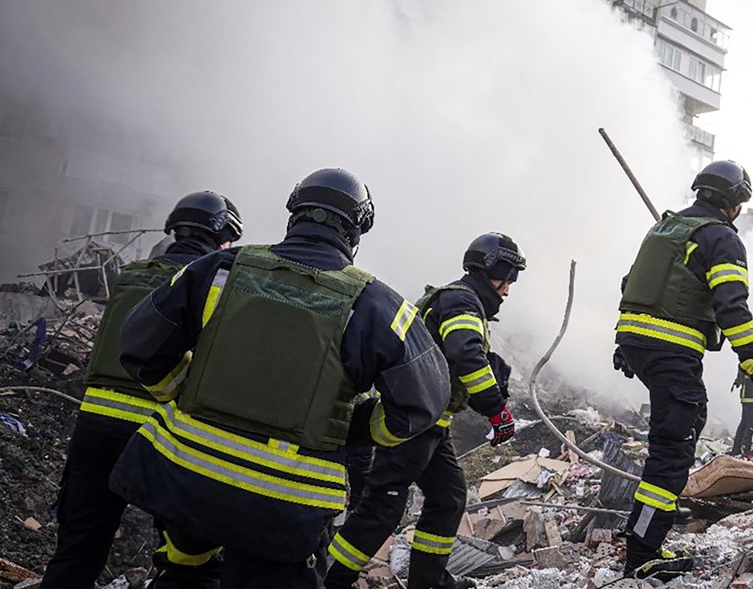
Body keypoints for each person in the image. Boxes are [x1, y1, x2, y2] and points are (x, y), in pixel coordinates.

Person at [109, 168, 451, 588]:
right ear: (356, 232)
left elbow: (139, 343)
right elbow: (425, 401)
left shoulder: (217, 270)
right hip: (286, 506)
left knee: (183, 574)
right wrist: (352, 427)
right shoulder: (376, 305)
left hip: (187, 481)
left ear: (294, 216)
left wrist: (182, 389)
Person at [41, 192, 242, 588]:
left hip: (95, 426)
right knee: (185, 560)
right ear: (222, 238)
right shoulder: (212, 283)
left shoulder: (131, 273)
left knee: (78, 549)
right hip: (163, 433)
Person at [325, 233, 525, 589]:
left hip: (432, 423)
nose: (508, 289)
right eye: (506, 276)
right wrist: (496, 410)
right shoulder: (461, 301)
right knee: (383, 505)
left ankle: (428, 581)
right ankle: (330, 578)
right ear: (487, 268)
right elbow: (465, 353)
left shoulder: (459, 301)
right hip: (413, 420)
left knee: (449, 498)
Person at [613, 160, 753, 579]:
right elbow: (732, 306)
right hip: (671, 349)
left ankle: (640, 532)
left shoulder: (665, 229)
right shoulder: (721, 238)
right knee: (673, 450)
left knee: (681, 428)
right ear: (735, 202)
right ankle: (642, 553)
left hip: (636, 341)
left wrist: (626, 342)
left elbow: (632, 283)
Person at [729, 371, 753, 456]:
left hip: (749, 396)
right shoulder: (751, 364)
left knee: (745, 423)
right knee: (751, 424)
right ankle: (745, 449)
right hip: (751, 396)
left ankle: (737, 449)